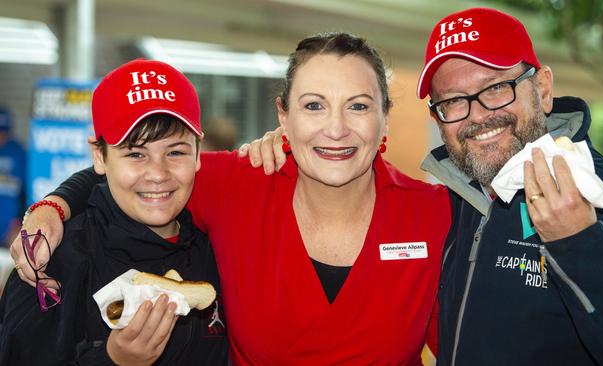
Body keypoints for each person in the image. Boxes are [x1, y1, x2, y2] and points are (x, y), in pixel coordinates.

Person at [239, 7, 603, 366]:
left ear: (541, 89)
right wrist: (291, 141)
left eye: (495, 88)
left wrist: (578, 242)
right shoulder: (454, 203)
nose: (478, 116)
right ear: (438, 119)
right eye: (453, 101)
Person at [10, 33, 452, 364]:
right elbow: (133, 176)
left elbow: (463, 342)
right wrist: (53, 205)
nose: (335, 128)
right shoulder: (237, 184)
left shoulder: (433, 212)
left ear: (385, 117)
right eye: (314, 106)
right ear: (284, 116)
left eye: (358, 106)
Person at [0, 59, 229, 365]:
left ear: (199, 153)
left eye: (175, 152)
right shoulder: (50, 260)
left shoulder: (220, 243)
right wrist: (111, 359)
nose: (157, 174)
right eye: (135, 154)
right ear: (99, 156)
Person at [0, 107, 26, 247]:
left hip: (10, 225)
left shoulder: (18, 151)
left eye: (3, 132)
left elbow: (26, 190)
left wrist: (20, 220)